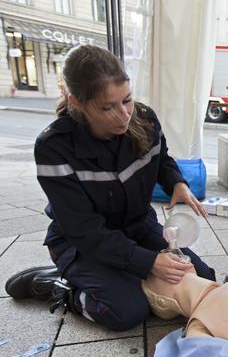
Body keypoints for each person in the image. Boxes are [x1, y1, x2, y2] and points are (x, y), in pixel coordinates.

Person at [4, 45, 215, 331]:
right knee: (126, 311)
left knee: (203, 276)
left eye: (126, 100)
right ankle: (62, 286)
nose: (124, 115)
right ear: (76, 102)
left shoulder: (145, 118)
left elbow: (162, 158)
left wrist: (176, 182)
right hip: (81, 243)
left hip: (138, 226)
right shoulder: (55, 147)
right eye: (107, 107)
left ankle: (116, 279)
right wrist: (149, 262)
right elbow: (84, 231)